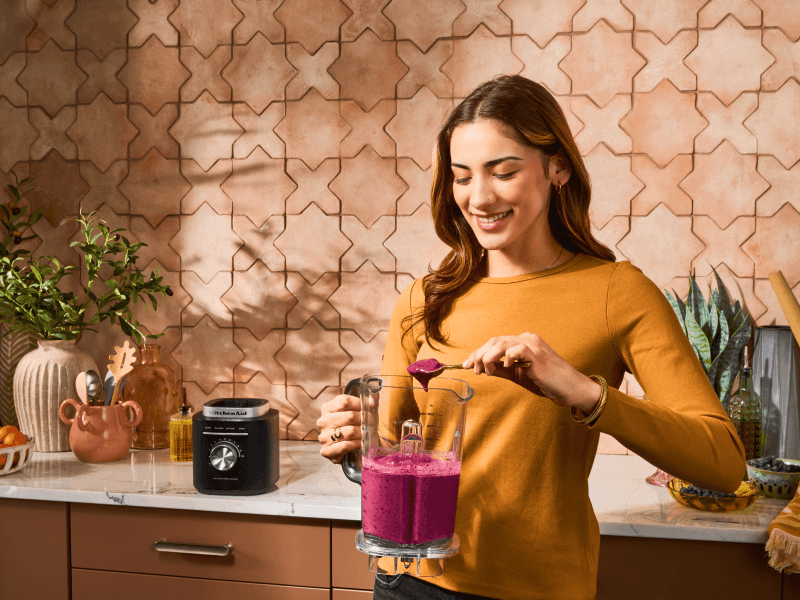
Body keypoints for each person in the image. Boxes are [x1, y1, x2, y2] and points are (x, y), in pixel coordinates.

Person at [317, 75, 746, 600]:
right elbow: (396, 451)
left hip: (541, 588)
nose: (479, 198)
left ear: (557, 168)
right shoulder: (424, 299)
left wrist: (584, 393)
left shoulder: (617, 291)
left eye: (504, 172)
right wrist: (351, 436)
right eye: (462, 177)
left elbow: (723, 464)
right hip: (410, 582)